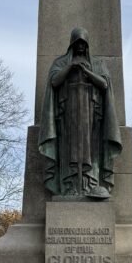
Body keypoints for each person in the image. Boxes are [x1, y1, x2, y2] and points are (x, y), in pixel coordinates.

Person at [39, 27, 122, 199]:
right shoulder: (61, 62)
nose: (81, 47)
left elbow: (104, 84)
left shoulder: (97, 64)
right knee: (69, 149)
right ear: (72, 44)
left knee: (89, 149)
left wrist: (86, 71)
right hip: (68, 113)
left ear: (87, 45)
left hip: (91, 114)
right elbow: (54, 82)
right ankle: (69, 184)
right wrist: (70, 67)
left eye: (84, 44)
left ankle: (90, 184)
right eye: (78, 43)